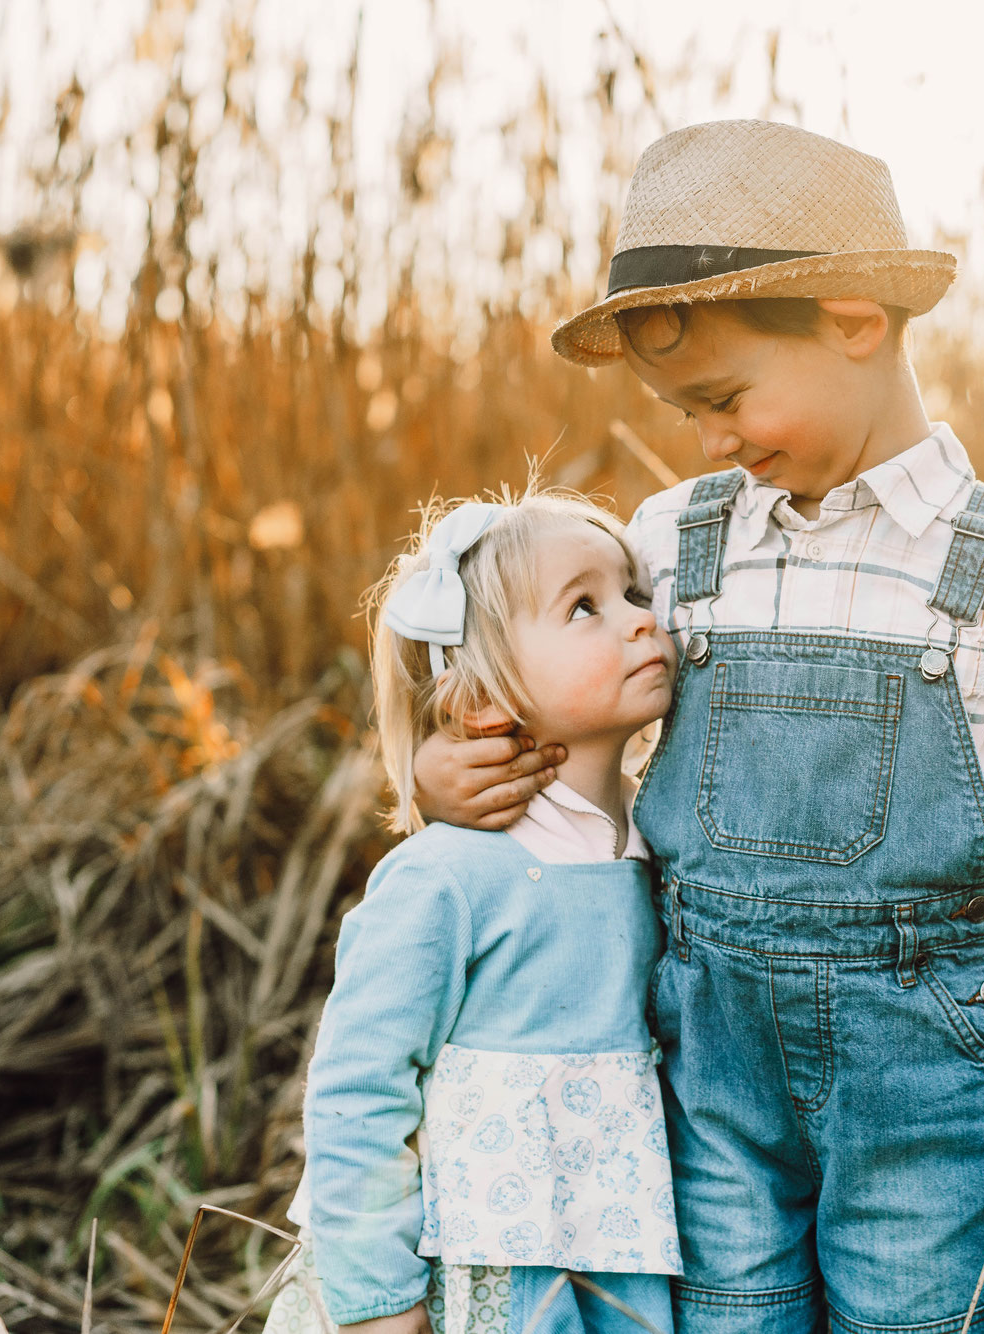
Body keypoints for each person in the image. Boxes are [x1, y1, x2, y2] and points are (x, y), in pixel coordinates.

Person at [415, 120, 984, 1333]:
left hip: (924, 1089)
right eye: (682, 409)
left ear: (855, 320)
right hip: (710, 1075)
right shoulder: (672, 537)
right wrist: (463, 771)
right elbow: (567, 711)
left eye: (722, 398)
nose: (709, 441)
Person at [263, 489, 683, 1334]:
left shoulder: (669, 846)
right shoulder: (446, 878)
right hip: (468, 1282)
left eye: (635, 594)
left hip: (617, 1270)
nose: (640, 620)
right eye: (584, 607)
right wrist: (378, 1303)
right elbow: (357, 1090)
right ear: (479, 702)